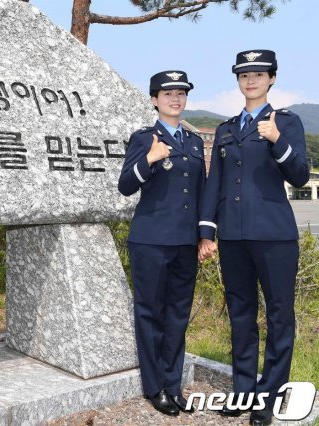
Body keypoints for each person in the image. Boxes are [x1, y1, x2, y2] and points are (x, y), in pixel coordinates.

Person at [198, 50, 310, 426]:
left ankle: (270, 396)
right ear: (238, 80)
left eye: (259, 74)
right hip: (232, 237)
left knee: (280, 315)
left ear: (272, 79)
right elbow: (215, 183)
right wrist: (207, 231)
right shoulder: (227, 129)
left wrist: (278, 140)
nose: (251, 80)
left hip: (275, 236)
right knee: (241, 314)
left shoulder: (287, 122)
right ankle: (243, 390)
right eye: (244, 74)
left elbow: (298, 175)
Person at [118, 71, 205, 417]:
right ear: (154, 100)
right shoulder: (144, 138)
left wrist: (204, 235)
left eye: (181, 93)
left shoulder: (194, 141)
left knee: (178, 316)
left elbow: (200, 193)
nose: (175, 99)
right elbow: (125, 185)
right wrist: (149, 159)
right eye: (167, 93)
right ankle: (154, 388)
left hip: (185, 244)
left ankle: (173, 383)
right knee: (150, 314)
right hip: (151, 241)